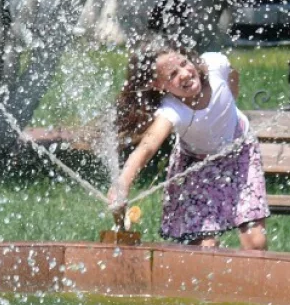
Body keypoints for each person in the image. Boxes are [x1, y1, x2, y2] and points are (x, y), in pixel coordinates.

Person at [109, 36, 269, 250]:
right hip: (198, 165)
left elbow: (233, 76)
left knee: (255, 241)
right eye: (172, 75)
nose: (184, 74)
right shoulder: (172, 110)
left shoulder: (214, 65)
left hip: (241, 153)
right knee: (204, 245)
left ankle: (255, 273)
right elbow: (147, 147)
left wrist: (231, 96)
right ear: (158, 85)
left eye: (184, 63)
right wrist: (122, 184)